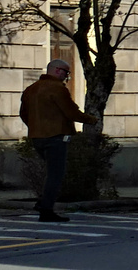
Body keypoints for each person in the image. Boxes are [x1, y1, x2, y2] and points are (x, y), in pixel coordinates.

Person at [19, 58, 98, 222]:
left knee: (50, 172)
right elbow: (71, 113)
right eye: (66, 72)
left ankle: (42, 202)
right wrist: (92, 120)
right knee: (56, 174)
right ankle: (46, 210)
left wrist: (34, 127)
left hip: (36, 138)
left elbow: (23, 114)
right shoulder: (57, 89)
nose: (67, 76)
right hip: (56, 137)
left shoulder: (30, 90)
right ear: (56, 70)